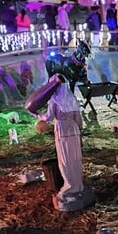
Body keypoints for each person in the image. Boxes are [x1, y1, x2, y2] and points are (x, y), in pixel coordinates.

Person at [31, 74, 95, 211]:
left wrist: (35, 114)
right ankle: (78, 185)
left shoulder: (55, 100)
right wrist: (79, 133)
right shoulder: (71, 98)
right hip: (74, 130)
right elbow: (79, 119)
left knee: (65, 161)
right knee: (76, 159)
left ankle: (69, 187)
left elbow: (48, 117)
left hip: (63, 131)